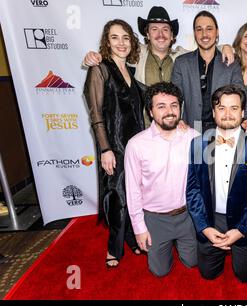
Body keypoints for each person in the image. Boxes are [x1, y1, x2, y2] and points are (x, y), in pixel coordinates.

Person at [83, 6, 234, 128]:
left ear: (172, 35)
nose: (160, 34)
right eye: (154, 29)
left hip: (175, 130)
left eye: (165, 29)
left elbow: (206, 47)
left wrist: (226, 47)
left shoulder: (182, 57)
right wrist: (93, 57)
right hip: (144, 130)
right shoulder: (135, 54)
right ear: (147, 34)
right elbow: (115, 53)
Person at [186, 84, 247, 283]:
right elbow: (192, 190)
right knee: (208, 275)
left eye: (234, 108)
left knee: (245, 277)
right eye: (221, 108)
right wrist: (205, 228)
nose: (227, 114)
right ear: (214, 111)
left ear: (243, 112)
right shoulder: (197, 144)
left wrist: (241, 230)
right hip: (211, 218)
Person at [83, 19, 145, 268]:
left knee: (133, 196)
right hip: (115, 147)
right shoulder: (100, 70)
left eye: (126, 37)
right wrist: (105, 149)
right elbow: (96, 114)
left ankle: (130, 237)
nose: (121, 43)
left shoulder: (130, 71)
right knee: (118, 197)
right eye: (115, 37)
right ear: (106, 42)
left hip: (136, 148)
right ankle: (113, 248)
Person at [124, 82, 198, 277]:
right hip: (155, 219)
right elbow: (132, 191)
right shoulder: (136, 145)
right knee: (159, 272)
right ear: (150, 111)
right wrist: (139, 228)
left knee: (192, 263)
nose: (169, 111)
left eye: (174, 105)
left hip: (187, 216)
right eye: (161, 106)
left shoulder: (192, 137)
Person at [171, 11, 247, 134]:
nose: (204, 34)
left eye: (209, 29)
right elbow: (174, 97)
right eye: (199, 29)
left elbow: (241, 92)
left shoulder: (231, 62)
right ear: (194, 33)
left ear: (217, 32)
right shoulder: (181, 63)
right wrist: (177, 119)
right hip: (189, 130)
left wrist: (246, 118)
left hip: (223, 129)